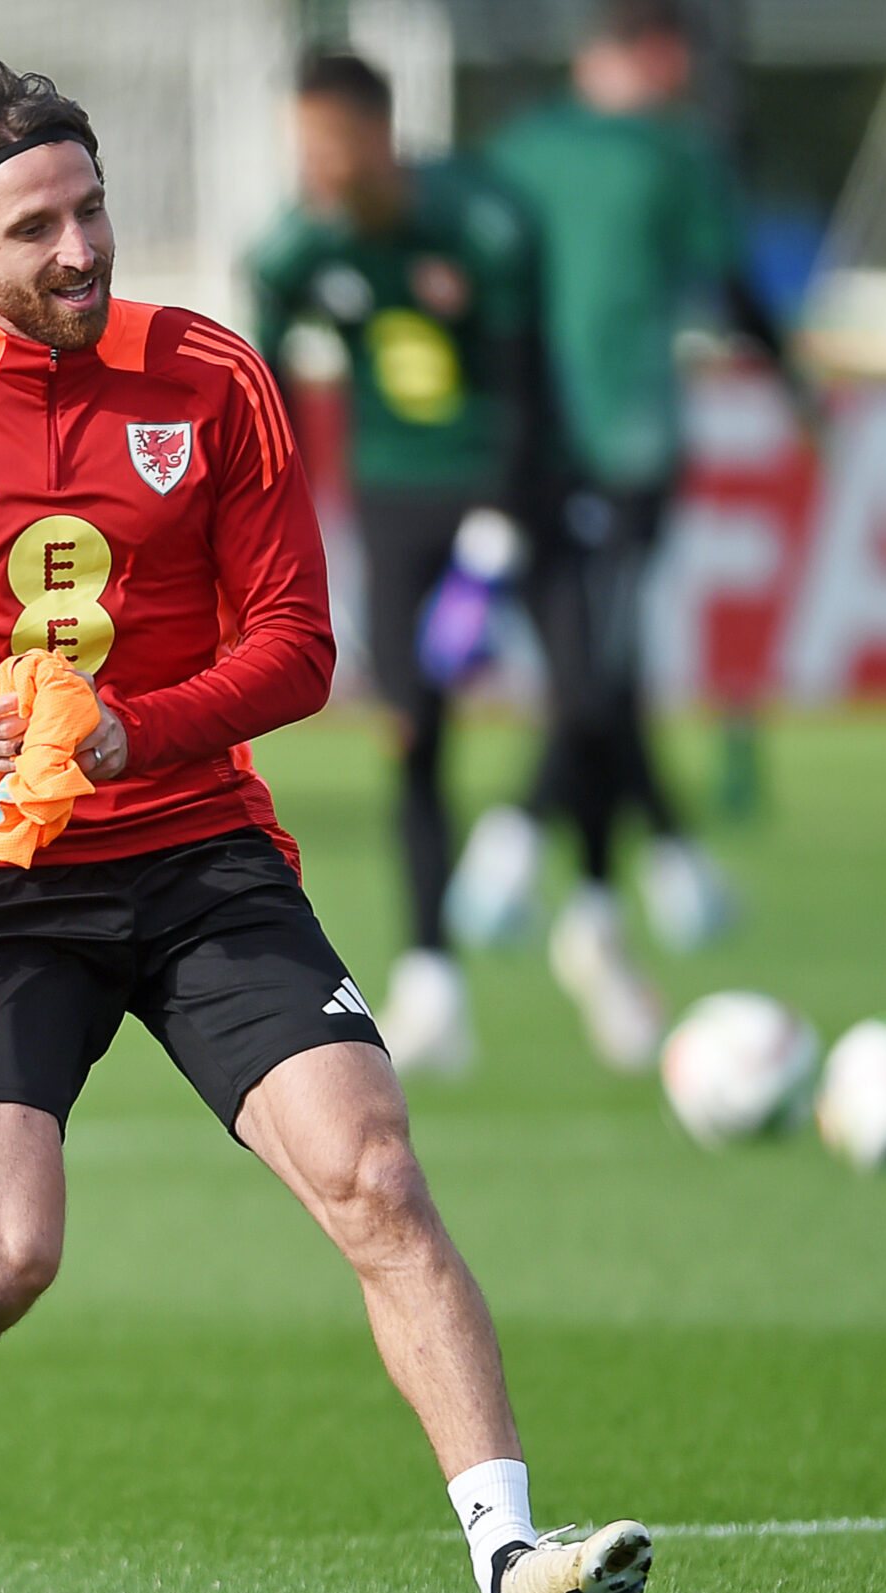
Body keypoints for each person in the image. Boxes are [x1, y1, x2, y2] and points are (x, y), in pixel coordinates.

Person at [0, 49, 650, 1593]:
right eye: (38, 229)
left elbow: (301, 651)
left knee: (375, 1173)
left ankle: (513, 1561)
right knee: (2, 1261)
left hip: (201, 858)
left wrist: (128, 735)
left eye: (92, 209)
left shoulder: (213, 376)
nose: (83, 250)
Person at [452, 0, 810, 1071]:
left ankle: (619, 893)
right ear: (656, 52)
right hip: (624, 446)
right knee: (597, 668)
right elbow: (737, 287)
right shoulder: (672, 155)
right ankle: (527, 848)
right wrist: (794, 384)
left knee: (599, 665)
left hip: (517, 450)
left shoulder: (514, 155)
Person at [247, 52, 540, 1079]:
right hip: (396, 502)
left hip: (513, 487)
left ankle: (533, 843)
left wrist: (505, 513)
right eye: (302, 147)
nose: (314, 166)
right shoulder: (293, 250)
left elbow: (525, 373)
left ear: (377, 134)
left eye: (328, 144)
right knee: (412, 728)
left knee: (594, 693)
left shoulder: (479, 221)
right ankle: (431, 974)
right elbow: (265, 393)